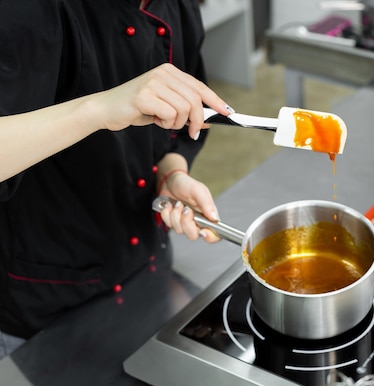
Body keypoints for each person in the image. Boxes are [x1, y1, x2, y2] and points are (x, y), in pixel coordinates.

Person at [0, 0, 231, 358]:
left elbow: (178, 124)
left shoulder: (176, 5)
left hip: (145, 267)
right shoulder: (28, 12)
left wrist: (171, 171)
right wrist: (98, 108)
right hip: (44, 303)